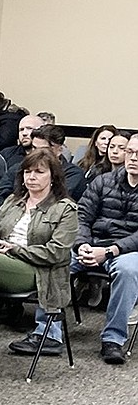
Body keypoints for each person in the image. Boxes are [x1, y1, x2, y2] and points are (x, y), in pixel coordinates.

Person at [0, 148, 78, 357]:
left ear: (53, 177)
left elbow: (56, 253)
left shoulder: (65, 209)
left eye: (39, 172)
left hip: (37, 272)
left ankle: (49, 335)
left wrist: (15, 250)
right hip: (0, 262)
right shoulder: (13, 201)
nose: (31, 177)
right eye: (27, 172)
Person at [70, 133, 138, 365]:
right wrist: (82, 245)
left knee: (128, 271)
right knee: (56, 259)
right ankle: (47, 332)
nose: (133, 158)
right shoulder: (103, 181)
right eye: (130, 152)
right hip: (93, 243)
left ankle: (113, 339)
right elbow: (82, 217)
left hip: (128, 251)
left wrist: (110, 251)